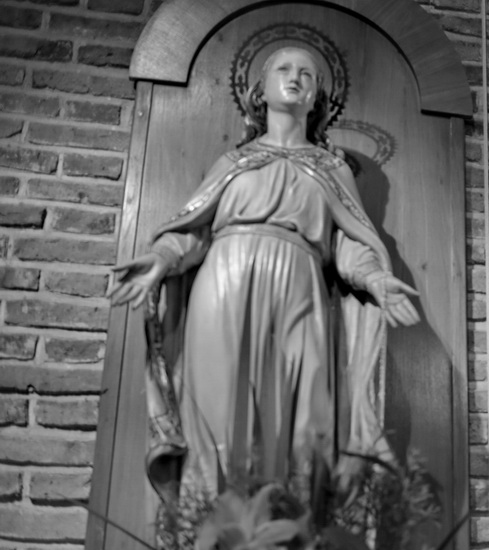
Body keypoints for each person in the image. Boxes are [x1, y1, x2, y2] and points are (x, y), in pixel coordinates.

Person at [109, 46, 420, 503]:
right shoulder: (234, 164)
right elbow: (196, 233)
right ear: (261, 90)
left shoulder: (332, 170)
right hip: (224, 283)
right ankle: (209, 545)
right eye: (283, 69)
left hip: (299, 285)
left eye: (307, 75)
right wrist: (161, 258)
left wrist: (375, 279)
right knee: (216, 411)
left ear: (317, 99)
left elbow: (346, 243)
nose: (295, 78)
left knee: (303, 416)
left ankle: (294, 548)